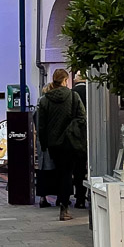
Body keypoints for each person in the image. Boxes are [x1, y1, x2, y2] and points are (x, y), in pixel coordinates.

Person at [36, 68, 87, 221]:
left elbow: (41, 126)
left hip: (53, 144)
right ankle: (64, 206)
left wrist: (44, 143)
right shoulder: (73, 96)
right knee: (68, 172)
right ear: (65, 81)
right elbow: (82, 117)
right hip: (71, 142)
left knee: (60, 172)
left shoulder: (44, 100)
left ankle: (61, 200)